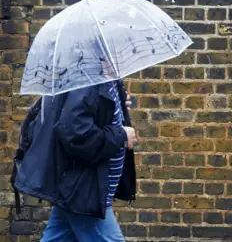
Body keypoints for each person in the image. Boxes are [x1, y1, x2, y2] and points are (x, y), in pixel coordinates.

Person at [13, 79, 138, 242]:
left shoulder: (105, 80)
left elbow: (92, 116)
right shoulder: (86, 81)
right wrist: (121, 135)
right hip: (83, 189)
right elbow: (75, 133)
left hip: (79, 188)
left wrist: (117, 103)